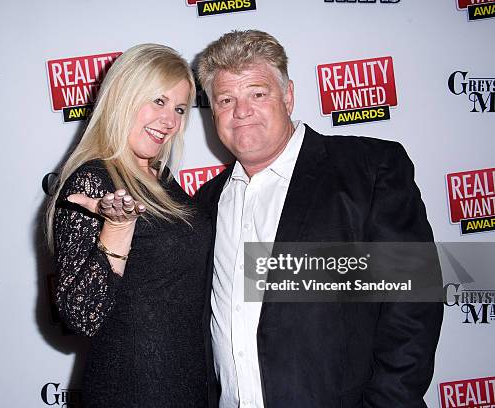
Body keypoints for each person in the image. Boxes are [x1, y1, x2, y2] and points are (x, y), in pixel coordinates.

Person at [194, 30, 443, 408]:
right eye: (226, 99)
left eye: (257, 93)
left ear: (288, 95)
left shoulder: (370, 170)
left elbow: (414, 305)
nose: (241, 111)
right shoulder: (206, 202)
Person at [46, 43, 210, 407]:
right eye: (158, 101)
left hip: (183, 387)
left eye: (180, 108)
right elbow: (81, 315)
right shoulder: (93, 180)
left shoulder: (161, 179)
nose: (170, 120)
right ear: (123, 97)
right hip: (130, 391)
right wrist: (117, 228)